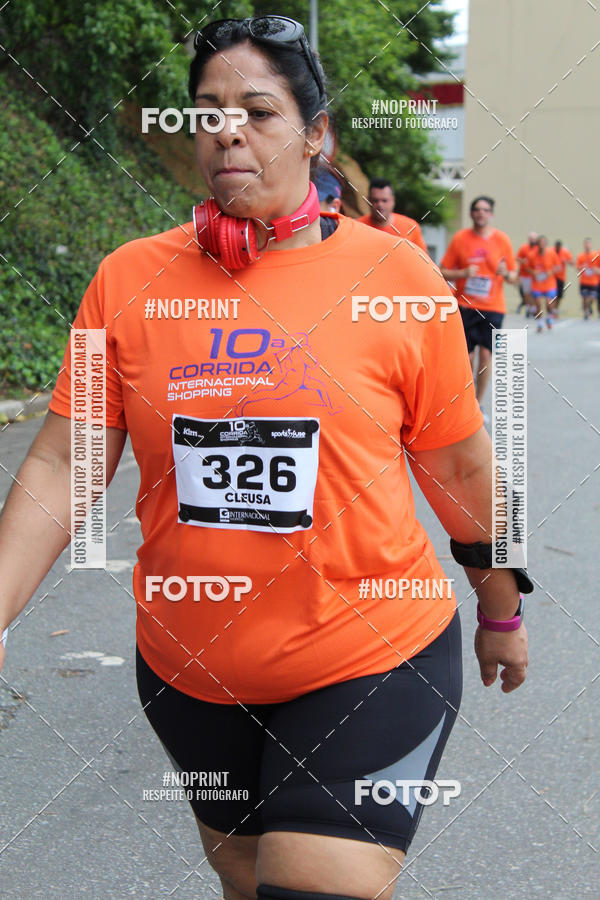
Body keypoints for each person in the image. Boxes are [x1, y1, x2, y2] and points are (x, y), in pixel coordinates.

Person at [0, 16, 530, 900]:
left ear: (316, 134)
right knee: (247, 884)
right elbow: (60, 464)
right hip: (192, 672)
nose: (227, 128)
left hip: (373, 655)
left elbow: (463, 467)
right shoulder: (126, 281)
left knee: (310, 887)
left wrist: (502, 606)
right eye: (205, 111)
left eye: (258, 109)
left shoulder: (396, 280)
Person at [439, 196, 517, 421]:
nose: (481, 213)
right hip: (465, 305)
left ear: (491, 214)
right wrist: (462, 274)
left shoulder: (502, 240)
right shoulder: (461, 239)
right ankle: (465, 402)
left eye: (485, 210)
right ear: (472, 214)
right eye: (477, 210)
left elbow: (513, 276)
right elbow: (442, 270)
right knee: (466, 356)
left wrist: (505, 273)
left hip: (493, 307)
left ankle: (477, 405)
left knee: (485, 355)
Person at [356, 177, 429, 253]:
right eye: (375, 200)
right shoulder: (357, 227)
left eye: (384, 200)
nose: (380, 205)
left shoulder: (410, 227)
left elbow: (424, 259)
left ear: (393, 200)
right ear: (369, 200)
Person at [527, 235, 560, 332]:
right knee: (538, 304)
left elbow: (558, 267)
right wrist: (533, 272)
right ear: (537, 244)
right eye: (540, 243)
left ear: (546, 244)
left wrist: (551, 271)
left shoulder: (552, 253)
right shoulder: (532, 255)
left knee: (549, 304)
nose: (542, 245)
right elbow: (527, 267)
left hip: (549, 283)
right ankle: (540, 323)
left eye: (543, 243)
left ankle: (549, 318)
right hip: (537, 284)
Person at [576, 238, 600, 320]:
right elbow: (577, 267)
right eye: (586, 244)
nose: (587, 245)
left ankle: (588, 308)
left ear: (591, 245)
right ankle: (586, 312)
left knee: (591, 297)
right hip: (584, 281)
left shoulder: (595, 255)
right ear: (584, 245)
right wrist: (582, 267)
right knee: (584, 298)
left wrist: (597, 270)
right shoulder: (581, 256)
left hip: (594, 282)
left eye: (588, 244)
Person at [516, 232, 538, 316]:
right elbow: (517, 258)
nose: (532, 240)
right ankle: (529, 308)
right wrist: (523, 261)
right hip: (525, 274)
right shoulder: (524, 248)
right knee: (526, 292)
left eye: (534, 239)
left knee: (534, 292)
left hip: (534, 275)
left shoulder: (537, 248)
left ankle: (534, 308)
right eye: (531, 239)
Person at [553, 240, 572, 316]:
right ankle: (552, 310)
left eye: (559, 247)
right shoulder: (551, 252)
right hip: (553, 278)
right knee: (552, 295)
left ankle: (555, 309)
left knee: (559, 295)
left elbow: (572, 262)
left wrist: (566, 261)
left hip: (561, 277)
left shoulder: (565, 252)